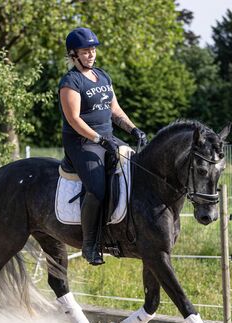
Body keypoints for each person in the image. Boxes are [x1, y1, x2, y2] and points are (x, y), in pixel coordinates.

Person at [58, 27, 147, 266]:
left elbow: (114, 110)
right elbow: (74, 119)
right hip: (82, 143)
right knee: (96, 189)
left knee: (134, 172)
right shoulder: (70, 82)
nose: (91, 54)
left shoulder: (103, 76)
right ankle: (90, 244)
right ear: (73, 54)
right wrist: (98, 139)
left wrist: (133, 129)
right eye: (85, 51)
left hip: (108, 138)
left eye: (93, 50)